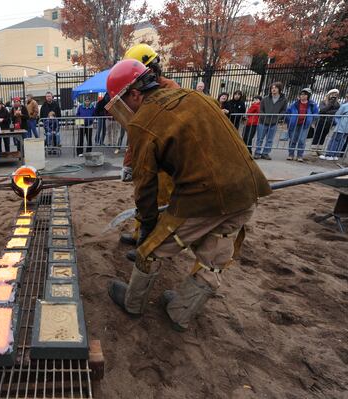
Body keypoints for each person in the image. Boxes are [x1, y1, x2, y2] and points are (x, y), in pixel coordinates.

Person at [104, 59, 271, 332]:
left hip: (203, 196)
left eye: (123, 102)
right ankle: (180, 311)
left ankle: (132, 303)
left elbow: (145, 184)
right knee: (214, 256)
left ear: (134, 93)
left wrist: (146, 226)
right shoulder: (195, 96)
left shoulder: (143, 121)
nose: (126, 109)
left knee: (152, 250)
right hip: (248, 190)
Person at [118, 43, 179, 260]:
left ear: (149, 71)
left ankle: (151, 248)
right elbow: (136, 134)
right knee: (142, 198)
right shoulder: (141, 94)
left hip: (164, 164)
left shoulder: (169, 91)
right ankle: (139, 235)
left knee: (159, 202)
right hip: (146, 159)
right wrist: (128, 163)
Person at [254, 82, 288, 160]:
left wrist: (278, 117)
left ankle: (265, 153)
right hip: (263, 122)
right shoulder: (265, 98)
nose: (273, 89)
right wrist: (263, 116)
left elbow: (283, 110)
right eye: (272, 88)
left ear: (279, 89)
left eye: (275, 88)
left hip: (273, 122)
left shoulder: (283, 100)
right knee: (260, 138)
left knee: (270, 139)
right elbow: (260, 109)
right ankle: (257, 152)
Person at [286, 88, 319, 162]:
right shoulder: (295, 104)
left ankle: (300, 155)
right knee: (293, 139)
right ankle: (291, 154)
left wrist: (312, 121)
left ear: (308, 96)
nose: (302, 96)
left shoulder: (312, 105)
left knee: (302, 140)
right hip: (295, 124)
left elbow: (316, 114)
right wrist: (289, 120)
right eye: (301, 94)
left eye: (304, 94)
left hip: (305, 125)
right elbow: (288, 112)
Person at [322, 95, 348, 160]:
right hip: (346, 128)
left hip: (341, 126)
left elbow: (337, 114)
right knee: (342, 141)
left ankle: (329, 154)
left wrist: (337, 122)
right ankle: (335, 155)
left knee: (335, 140)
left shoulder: (344, 106)